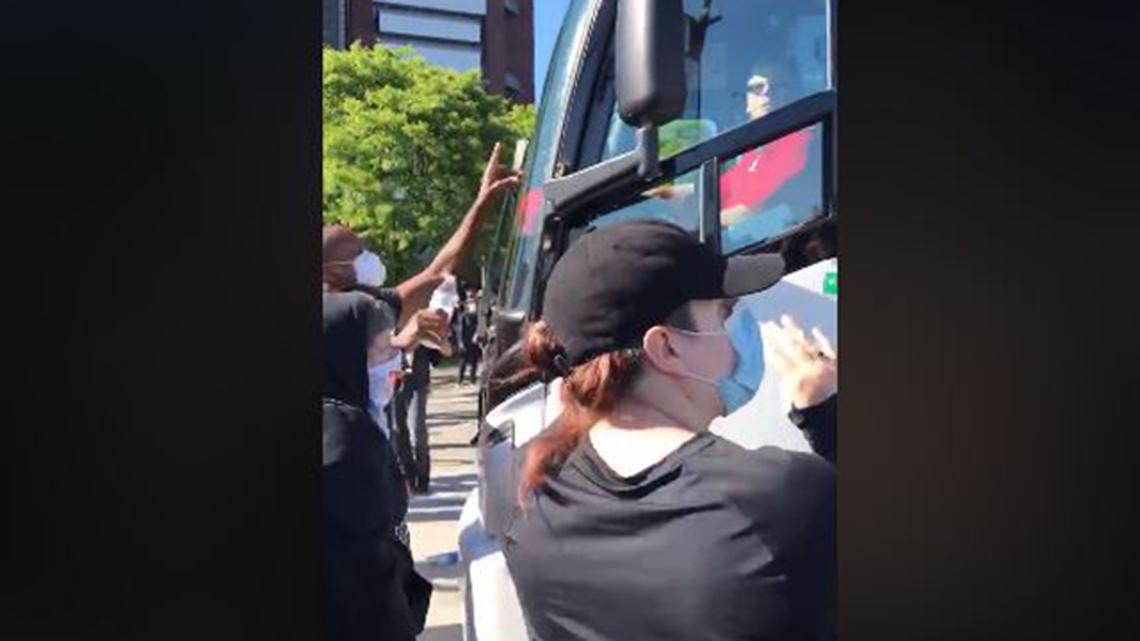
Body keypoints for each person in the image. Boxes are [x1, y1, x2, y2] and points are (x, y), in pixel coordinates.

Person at [502, 221, 837, 641]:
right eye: (724, 311)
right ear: (666, 347)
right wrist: (827, 420)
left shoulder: (534, 508)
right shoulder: (778, 496)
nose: (741, 322)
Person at [323, 290, 432, 641]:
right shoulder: (344, 439)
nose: (395, 364)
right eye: (383, 352)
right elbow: (365, 577)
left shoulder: (357, 420)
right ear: (345, 358)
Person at [456, 289, 480, 385]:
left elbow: (479, 324)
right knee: (463, 362)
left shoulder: (477, 312)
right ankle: (460, 380)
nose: (471, 300)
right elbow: (460, 329)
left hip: (474, 340)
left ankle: (472, 379)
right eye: (469, 297)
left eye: (472, 297)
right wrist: (461, 342)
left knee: (474, 361)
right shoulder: (463, 315)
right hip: (465, 340)